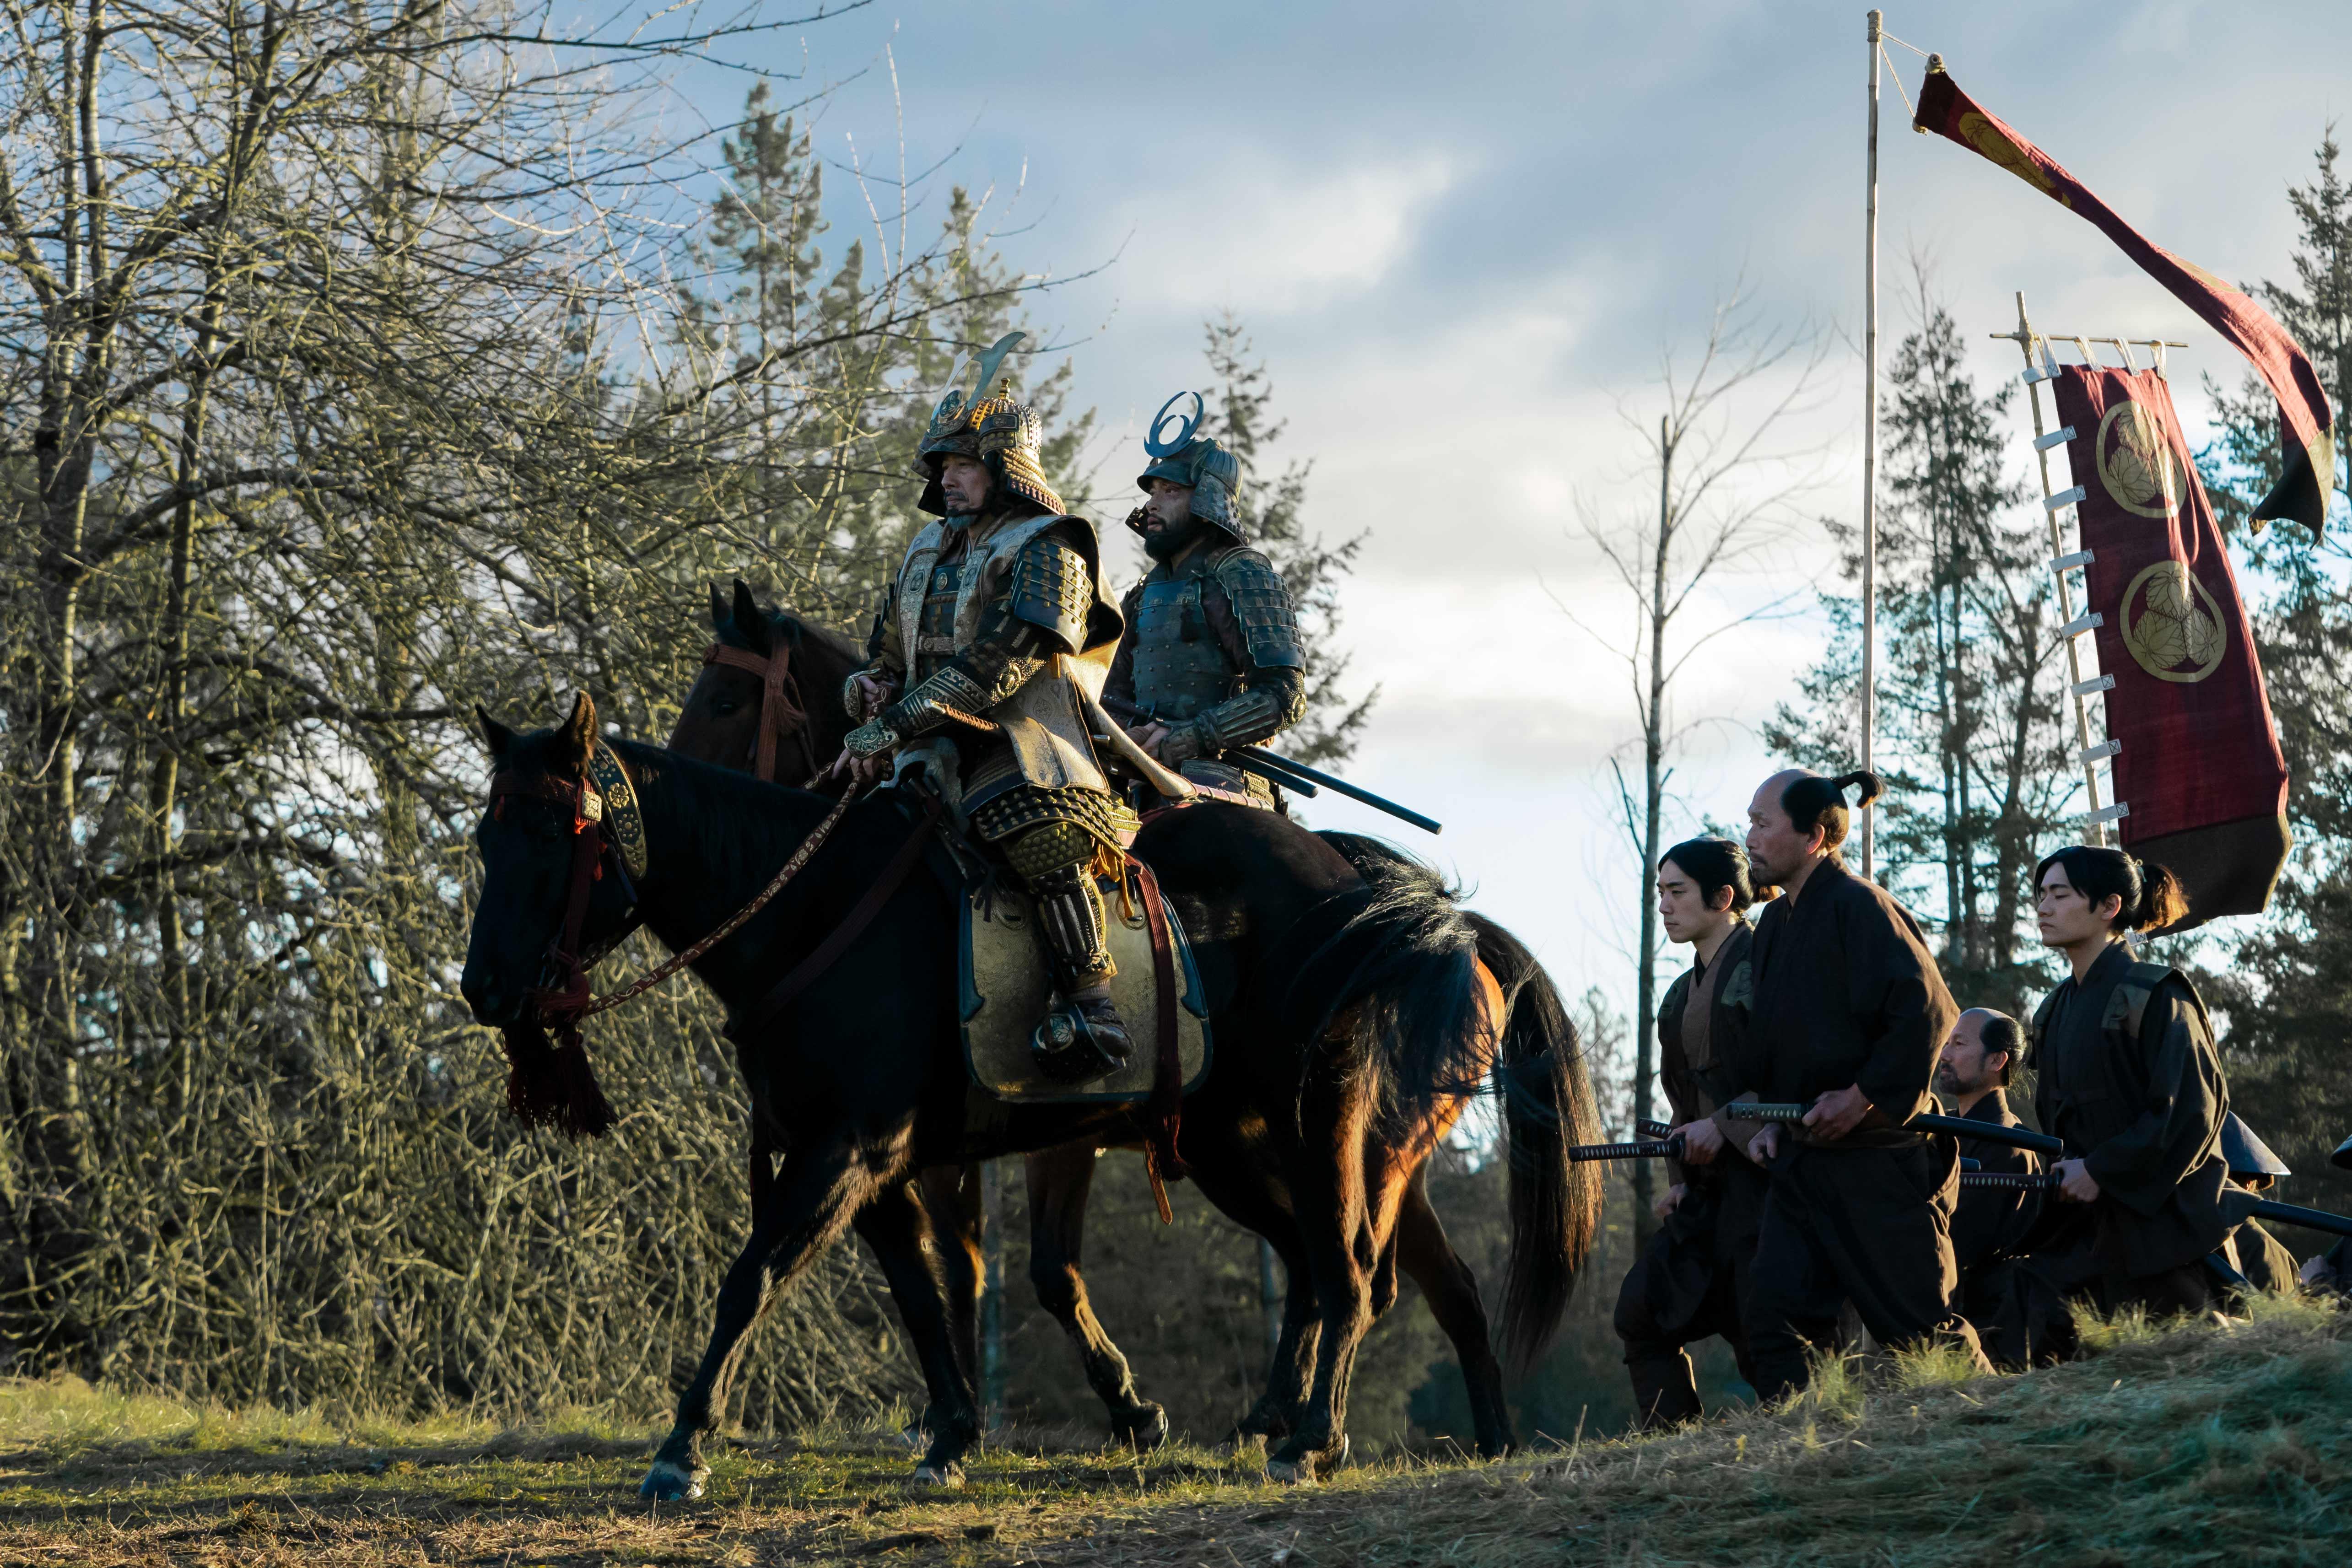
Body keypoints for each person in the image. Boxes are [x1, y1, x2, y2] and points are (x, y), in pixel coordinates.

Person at [842, 341, 1138, 1079]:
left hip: (1025, 746)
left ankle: (1092, 1007)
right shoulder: (923, 551)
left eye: (962, 465)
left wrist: (893, 721)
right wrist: (867, 690)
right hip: (923, 747)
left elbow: (1000, 666)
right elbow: (884, 655)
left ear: (1006, 469)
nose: (946, 479)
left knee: (1037, 833)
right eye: (940, 467)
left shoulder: (1050, 546)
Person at [1731, 768, 1991, 1401]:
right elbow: (1774, 1041)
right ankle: (1802, 1453)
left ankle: (2003, 1428)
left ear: (1815, 835)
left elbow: (1928, 1010)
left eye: (1764, 823)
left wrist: (1863, 1094)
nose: (1751, 836)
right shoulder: (1771, 926)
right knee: (1776, 1321)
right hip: (1803, 1161)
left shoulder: (1861, 906)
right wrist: (1768, 1117)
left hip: (1878, 1162)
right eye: (1751, 821)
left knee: (1922, 1332)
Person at [2025, 845, 2236, 1317]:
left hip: (2161, 1231)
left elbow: (2190, 1110)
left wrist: (2101, 1169)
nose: (2042, 908)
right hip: (2083, 1234)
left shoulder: (2155, 994)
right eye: (2040, 895)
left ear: (2109, 906)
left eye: (2059, 894)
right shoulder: (2053, 1009)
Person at [1613, 838, 1768, 1427]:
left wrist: (1728, 1126)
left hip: (1766, 1180)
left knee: (1765, 1335)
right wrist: (1678, 1176)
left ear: (1723, 897)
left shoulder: (1766, 969)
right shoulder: (1680, 994)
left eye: (1677, 892)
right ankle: (1670, 1445)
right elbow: (1681, 1101)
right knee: (1642, 1311)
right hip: (1705, 1190)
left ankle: (1797, 1453)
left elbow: (1796, 1075)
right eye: (1661, 893)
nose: (1665, 906)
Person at [1100, 406, 1306, 808]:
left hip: (1227, 783)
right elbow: (1109, 694)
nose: (1154, 504)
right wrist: (1131, 735)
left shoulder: (1243, 573)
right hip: (1142, 776)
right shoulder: (1143, 594)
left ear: (1207, 499)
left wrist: (1189, 738)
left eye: (1171, 492)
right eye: (1153, 491)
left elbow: (1285, 694)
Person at [1932, 1009, 2060, 1365]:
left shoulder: (2010, 1147)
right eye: (1946, 1042)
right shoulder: (1944, 1130)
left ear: (1996, 1059)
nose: (1945, 1053)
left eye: (1959, 1043)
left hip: (1986, 1338)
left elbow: (1955, 1246)